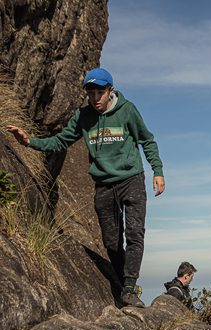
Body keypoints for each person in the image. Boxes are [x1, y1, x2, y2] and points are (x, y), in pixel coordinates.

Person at [5, 67, 165, 308]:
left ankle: (130, 288)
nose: (95, 98)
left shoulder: (127, 111)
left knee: (134, 235)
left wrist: (158, 171)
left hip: (131, 180)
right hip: (103, 184)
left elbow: (147, 140)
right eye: (91, 93)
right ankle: (124, 282)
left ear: (110, 90)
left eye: (100, 92)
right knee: (111, 242)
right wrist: (29, 142)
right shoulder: (83, 117)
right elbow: (60, 141)